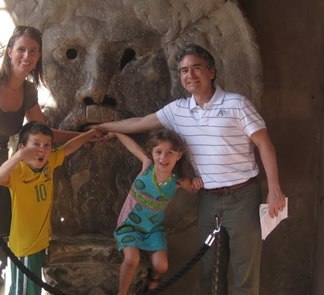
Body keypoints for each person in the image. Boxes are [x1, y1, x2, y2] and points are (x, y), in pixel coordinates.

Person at [96, 44, 286, 294]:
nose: (190, 75)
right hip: (208, 198)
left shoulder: (237, 104)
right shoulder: (178, 110)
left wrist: (274, 189)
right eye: (184, 71)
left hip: (243, 197)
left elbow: (264, 143)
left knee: (245, 269)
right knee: (209, 268)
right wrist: (103, 128)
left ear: (211, 72)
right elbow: (141, 123)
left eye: (196, 68)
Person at [0, 26, 78, 295]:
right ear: (10, 52)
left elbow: (43, 133)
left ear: (39, 56)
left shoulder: (28, 92)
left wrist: (86, 135)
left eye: (33, 51)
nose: (26, 56)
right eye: (21, 49)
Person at [0, 121, 102, 295]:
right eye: (35, 144)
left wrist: (90, 134)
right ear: (23, 147)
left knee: (33, 289)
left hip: (40, 242)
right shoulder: (18, 171)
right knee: (24, 291)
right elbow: (0, 176)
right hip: (25, 247)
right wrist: (19, 155)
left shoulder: (49, 162)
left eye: (47, 145)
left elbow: (69, 147)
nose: (42, 149)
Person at [110, 129, 195, 294]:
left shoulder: (177, 180)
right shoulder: (147, 165)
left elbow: (193, 188)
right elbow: (131, 146)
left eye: (170, 153)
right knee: (131, 259)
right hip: (130, 224)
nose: (163, 158)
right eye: (159, 152)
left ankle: (151, 285)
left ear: (179, 155)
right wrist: (115, 132)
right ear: (152, 153)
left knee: (161, 266)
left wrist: (197, 182)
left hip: (153, 228)